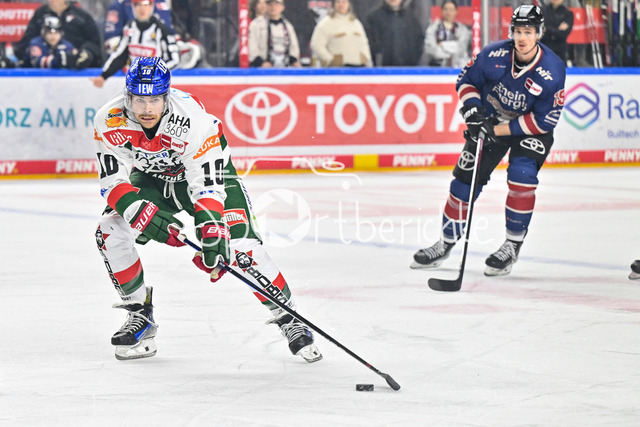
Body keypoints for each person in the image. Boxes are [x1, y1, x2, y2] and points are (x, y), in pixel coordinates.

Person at [93, 56, 322, 363]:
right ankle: (139, 313)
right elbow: (112, 180)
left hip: (207, 178)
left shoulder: (191, 119)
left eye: (155, 100)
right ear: (127, 97)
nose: (147, 109)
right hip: (151, 179)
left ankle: (289, 317)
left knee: (241, 247)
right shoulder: (109, 119)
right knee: (109, 230)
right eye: (139, 100)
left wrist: (212, 228)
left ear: (166, 97)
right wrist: (138, 212)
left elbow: (206, 184)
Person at [411, 5, 566, 277]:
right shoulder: (494, 54)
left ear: (539, 33)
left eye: (528, 32)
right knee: (463, 182)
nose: (522, 37)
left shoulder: (552, 70)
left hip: (527, 130)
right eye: (518, 31)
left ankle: (512, 245)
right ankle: (445, 242)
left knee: (522, 176)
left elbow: (543, 122)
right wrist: (473, 112)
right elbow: (466, 81)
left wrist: (497, 130)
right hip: (490, 121)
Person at [91, 0, 179, 88]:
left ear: (152, 6)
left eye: (145, 4)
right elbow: (120, 55)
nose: (142, 9)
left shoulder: (162, 31)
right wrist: (104, 76)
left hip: (157, 84)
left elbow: (174, 59)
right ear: (132, 7)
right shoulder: (129, 28)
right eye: (137, 5)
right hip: (135, 84)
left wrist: (153, 73)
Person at [13, 0, 102, 68]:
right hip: (42, 72)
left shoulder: (82, 16)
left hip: (75, 72)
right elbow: (24, 45)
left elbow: (94, 44)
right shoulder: (40, 14)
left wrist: (84, 54)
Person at [310, 0, 372, 67]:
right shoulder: (326, 23)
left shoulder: (356, 23)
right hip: (339, 69)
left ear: (349, 4)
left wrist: (366, 59)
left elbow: (364, 44)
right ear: (334, 4)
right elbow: (316, 45)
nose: (341, 5)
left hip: (359, 67)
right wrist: (330, 60)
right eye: (338, 2)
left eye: (344, 2)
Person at [363, 0, 424, 66]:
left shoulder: (412, 20)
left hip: (407, 70)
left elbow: (418, 45)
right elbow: (368, 47)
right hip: (381, 70)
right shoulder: (373, 18)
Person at [103, 0, 173, 55]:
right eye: (138, 5)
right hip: (130, 58)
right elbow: (111, 43)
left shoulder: (162, 3)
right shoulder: (119, 5)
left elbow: (171, 34)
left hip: (160, 57)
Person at [248, 0, 301, 67]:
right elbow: (252, 48)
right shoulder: (256, 24)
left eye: (276, 4)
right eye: (270, 4)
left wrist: (294, 61)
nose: (273, 7)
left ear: (282, 7)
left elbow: (294, 48)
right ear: (266, 6)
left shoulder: (288, 26)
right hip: (262, 68)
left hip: (284, 67)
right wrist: (261, 63)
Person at [423, 0, 471, 67]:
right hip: (436, 67)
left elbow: (461, 49)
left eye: (451, 10)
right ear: (442, 11)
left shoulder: (462, 30)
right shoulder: (433, 28)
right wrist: (452, 49)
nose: (448, 12)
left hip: (456, 67)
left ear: (456, 11)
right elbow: (430, 50)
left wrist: (442, 44)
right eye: (446, 9)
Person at [540, 0, 574, 65]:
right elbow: (541, 28)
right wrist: (557, 29)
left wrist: (548, 29)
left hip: (560, 51)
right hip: (544, 48)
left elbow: (564, 34)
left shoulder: (568, 13)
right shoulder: (541, 11)